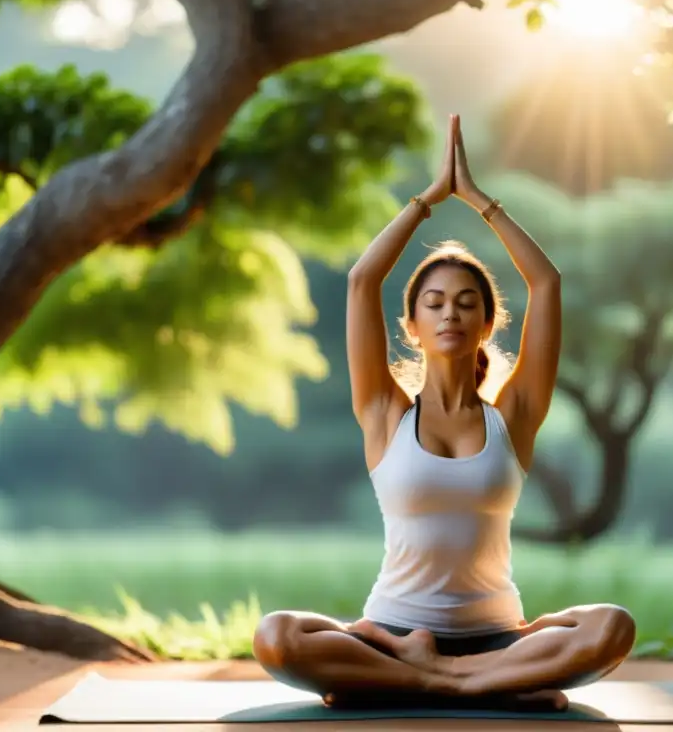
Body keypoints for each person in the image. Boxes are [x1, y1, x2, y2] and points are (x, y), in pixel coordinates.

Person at [253, 114, 635, 710]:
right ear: (412, 327)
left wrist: (482, 203)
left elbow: (546, 283)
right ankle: (469, 684)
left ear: (487, 324)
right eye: (434, 303)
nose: (450, 313)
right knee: (276, 637)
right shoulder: (384, 414)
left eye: (466, 303)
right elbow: (361, 281)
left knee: (612, 627)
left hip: (499, 637)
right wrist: (427, 201)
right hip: (395, 635)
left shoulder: (516, 416)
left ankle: (459, 677)